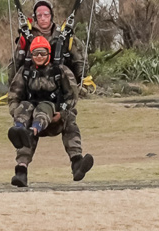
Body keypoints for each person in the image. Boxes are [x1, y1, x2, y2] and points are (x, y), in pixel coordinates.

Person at [7, 34, 94, 188]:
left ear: (48, 54)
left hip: (54, 116)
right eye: (35, 54)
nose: (39, 57)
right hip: (29, 117)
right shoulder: (24, 72)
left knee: (68, 119)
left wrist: (62, 114)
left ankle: (77, 163)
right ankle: (21, 169)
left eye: (42, 53)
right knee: (25, 110)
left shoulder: (61, 71)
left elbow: (72, 97)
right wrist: (16, 113)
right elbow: (13, 96)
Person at [9, 0, 85, 85]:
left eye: (46, 15)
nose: (43, 18)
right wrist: (11, 84)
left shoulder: (64, 35)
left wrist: (82, 80)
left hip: (62, 82)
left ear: (51, 16)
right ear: (35, 17)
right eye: (39, 16)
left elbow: (79, 60)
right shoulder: (26, 36)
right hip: (32, 83)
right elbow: (16, 61)